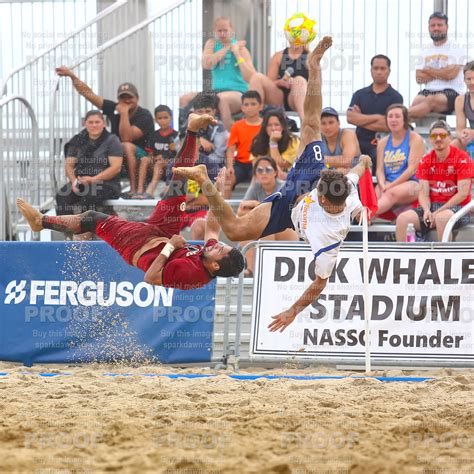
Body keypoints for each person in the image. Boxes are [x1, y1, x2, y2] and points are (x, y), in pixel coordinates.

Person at [175, 37, 371, 329]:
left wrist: (293, 311)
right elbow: (362, 165)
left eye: (321, 193)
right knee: (311, 124)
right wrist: (365, 163)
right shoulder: (344, 187)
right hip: (308, 174)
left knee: (236, 229)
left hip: (286, 214)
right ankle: (314, 67)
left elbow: (319, 284)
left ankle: (205, 179)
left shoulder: (329, 237)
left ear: (329, 202)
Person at [17, 114, 245, 290]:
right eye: (220, 244)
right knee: (179, 182)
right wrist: (218, 193)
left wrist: (170, 247)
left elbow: (151, 277)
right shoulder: (210, 255)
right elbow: (213, 227)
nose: (215, 244)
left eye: (219, 249)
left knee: (91, 218)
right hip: (162, 232)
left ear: (215, 265)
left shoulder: (193, 275)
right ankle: (193, 130)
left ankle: (41, 221)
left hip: (138, 247)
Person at [55, 66, 154, 195]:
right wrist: (72, 76)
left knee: (126, 146)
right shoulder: (114, 107)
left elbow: (126, 138)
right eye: (123, 98)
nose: (127, 101)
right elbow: (88, 93)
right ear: (118, 99)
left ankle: (134, 190)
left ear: (137, 98)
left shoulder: (144, 115)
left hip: (145, 161)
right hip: (119, 160)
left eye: (130, 97)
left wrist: (123, 114)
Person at [395, 120, 473, 242]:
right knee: (403, 219)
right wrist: (426, 210)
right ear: (430, 139)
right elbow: (423, 193)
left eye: (442, 135)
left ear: (450, 137)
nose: (438, 138)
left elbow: (462, 194)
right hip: (432, 206)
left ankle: (444, 258)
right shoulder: (425, 160)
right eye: (433, 136)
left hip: (459, 207)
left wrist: (438, 212)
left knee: (442, 218)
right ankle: (406, 259)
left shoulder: (462, 158)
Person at [179, 17, 256, 131]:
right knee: (185, 98)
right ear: (215, 31)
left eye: (225, 30)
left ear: (232, 30)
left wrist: (237, 54)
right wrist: (227, 48)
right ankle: (184, 136)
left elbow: (251, 76)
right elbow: (207, 64)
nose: (223, 33)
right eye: (219, 31)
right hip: (216, 91)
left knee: (222, 99)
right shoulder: (211, 44)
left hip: (237, 92)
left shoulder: (241, 48)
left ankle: (229, 137)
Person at [56, 111, 123, 225]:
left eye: (97, 122)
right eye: (90, 122)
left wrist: (93, 179)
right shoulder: (77, 140)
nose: (94, 125)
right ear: (84, 123)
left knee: (89, 197)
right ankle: (68, 230)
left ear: (104, 123)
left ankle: (85, 233)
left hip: (107, 183)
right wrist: (74, 181)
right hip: (81, 182)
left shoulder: (112, 140)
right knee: (62, 196)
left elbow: (115, 168)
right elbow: (69, 165)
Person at [237, 156, 298, 276]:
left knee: (267, 229)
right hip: (267, 229)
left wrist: (255, 205)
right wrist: (261, 209)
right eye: (260, 170)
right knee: (246, 229)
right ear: (256, 174)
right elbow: (241, 211)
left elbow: (279, 213)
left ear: (275, 172)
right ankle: (252, 271)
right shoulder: (255, 187)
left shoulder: (284, 187)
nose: (264, 173)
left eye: (268, 169)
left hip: (288, 231)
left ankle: (266, 272)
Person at [347, 55, 403, 172]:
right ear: (371, 70)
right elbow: (350, 118)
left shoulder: (396, 97)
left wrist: (360, 119)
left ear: (389, 71)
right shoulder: (359, 94)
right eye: (375, 68)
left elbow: (387, 125)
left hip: (382, 143)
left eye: (382, 68)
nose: (379, 72)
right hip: (358, 143)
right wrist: (378, 117)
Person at [408, 12, 465, 120]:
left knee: (431, 100)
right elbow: (419, 78)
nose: (436, 28)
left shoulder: (456, 48)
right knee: (416, 102)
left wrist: (428, 70)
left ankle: (397, 117)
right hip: (429, 90)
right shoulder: (424, 50)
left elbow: (450, 75)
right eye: (433, 25)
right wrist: (441, 71)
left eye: (439, 25)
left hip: (451, 91)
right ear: (429, 28)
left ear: (447, 27)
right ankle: (400, 124)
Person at [375, 104, 425, 218]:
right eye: (390, 116)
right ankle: (365, 226)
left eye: (397, 116)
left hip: (412, 184)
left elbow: (412, 169)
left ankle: (365, 214)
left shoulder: (414, 139)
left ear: (405, 119)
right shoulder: (382, 142)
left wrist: (392, 185)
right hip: (388, 183)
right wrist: (382, 184)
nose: (393, 120)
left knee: (390, 193)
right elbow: (379, 170)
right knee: (375, 193)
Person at [248, 28, 310, 120]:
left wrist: (295, 83)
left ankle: (305, 123)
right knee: (256, 77)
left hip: (298, 97)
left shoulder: (310, 57)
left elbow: (316, 86)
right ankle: (253, 120)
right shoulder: (278, 56)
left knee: (299, 81)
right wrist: (280, 82)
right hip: (279, 97)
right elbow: (270, 82)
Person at [134, 105, 178, 199]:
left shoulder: (176, 136)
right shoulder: (153, 135)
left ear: (171, 118)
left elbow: (179, 156)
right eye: (160, 118)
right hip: (156, 166)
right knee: (144, 159)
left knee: (160, 163)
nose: (163, 120)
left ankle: (150, 190)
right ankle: (140, 190)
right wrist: (154, 158)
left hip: (171, 167)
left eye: (165, 117)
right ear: (156, 120)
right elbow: (149, 155)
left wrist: (167, 160)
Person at [226, 90, 263, 196]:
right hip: (240, 164)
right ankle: (224, 210)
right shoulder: (237, 126)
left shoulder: (265, 125)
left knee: (259, 179)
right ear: (242, 107)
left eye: (253, 104)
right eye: (246, 104)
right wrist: (230, 167)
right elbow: (231, 149)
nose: (249, 107)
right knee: (227, 179)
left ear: (260, 106)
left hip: (259, 162)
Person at [249, 109, 300, 177]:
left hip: (286, 177)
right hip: (262, 176)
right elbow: (256, 165)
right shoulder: (257, 140)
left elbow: (283, 165)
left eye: (276, 125)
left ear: (283, 126)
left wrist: (273, 143)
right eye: (269, 125)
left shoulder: (293, 141)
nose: (273, 128)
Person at [320, 107, 360, 172]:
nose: (327, 127)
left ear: (338, 123)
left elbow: (347, 161)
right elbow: (311, 162)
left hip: (354, 178)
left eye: (331, 122)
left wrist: (321, 160)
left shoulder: (348, 134)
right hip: (329, 177)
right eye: (323, 123)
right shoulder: (318, 138)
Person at [452, 61, 474, 153]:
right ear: (464, 80)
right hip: (471, 139)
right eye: (469, 79)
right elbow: (459, 129)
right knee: (454, 145)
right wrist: (463, 135)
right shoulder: (460, 100)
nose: (472, 82)